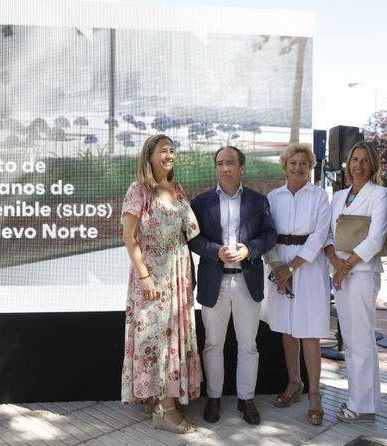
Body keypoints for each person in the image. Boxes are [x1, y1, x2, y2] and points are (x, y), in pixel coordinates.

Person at [188, 146, 277, 425]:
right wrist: (216, 251)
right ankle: (214, 397)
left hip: (246, 279)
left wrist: (249, 250)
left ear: (242, 167)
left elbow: (270, 234)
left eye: (230, 163)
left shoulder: (257, 201)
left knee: (248, 344)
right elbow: (192, 239)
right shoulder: (201, 203)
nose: (224, 168)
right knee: (213, 344)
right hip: (215, 281)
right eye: (219, 163)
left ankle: (246, 399)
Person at [121, 134, 202, 434]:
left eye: (172, 150)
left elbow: (190, 232)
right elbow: (130, 238)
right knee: (154, 342)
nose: (169, 155)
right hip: (151, 276)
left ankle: (163, 399)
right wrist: (144, 276)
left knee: (173, 340)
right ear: (149, 156)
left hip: (178, 275)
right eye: (163, 151)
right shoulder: (138, 190)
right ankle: (164, 410)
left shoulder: (177, 188)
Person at [323, 141, 387, 422]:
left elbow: (376, 238)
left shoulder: (380, 194)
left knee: (361, 341)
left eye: (364, 160)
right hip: (341, 273)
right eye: (354, 160)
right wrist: (336, 265)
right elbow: (328, 236)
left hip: (361, 275)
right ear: (348, 163)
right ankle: (360, 401)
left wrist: (345, 267)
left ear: (373, 164)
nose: (358, 165)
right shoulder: (338, 196)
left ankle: (363, 406)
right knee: (350, 341)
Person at [264, 143, 330, 425]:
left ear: (310, 166)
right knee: (288, 330)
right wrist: (279, 268)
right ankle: (294, 383)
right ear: (285, 165)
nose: (298, 167)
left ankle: (314, 394)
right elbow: (267, 234)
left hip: (309, 266)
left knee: (309, 331)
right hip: (280, 265)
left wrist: (292, 268)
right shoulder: (273, 196)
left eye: (304, 163)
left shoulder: (319, 196)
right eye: (293, 163)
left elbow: (319, 236)